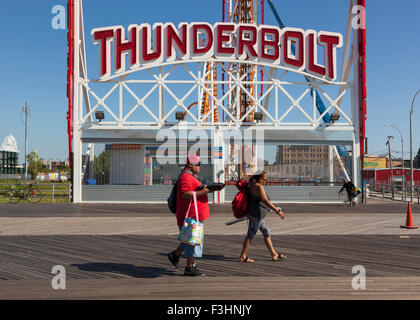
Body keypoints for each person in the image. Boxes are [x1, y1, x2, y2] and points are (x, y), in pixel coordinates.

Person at [168, 155, 215, 276]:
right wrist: (205, 191)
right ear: (190, 165)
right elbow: (185, 194)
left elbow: (192, 190)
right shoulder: (186, 176)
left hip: (194, 214)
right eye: (198, 164)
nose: (200, 166)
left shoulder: (189, 176)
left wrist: (204, 188)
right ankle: (190, 267)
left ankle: (175, 255)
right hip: (191, 215)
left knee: (189, 238)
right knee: (193, 241)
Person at [239, 171, 286, 263]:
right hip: (256, 215)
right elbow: (266, 201)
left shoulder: (251, 184)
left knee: (266, 232)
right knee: (250, 235)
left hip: (258, 215)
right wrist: (278, 211)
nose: (266, 180)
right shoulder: (258, 187)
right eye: (264, 178)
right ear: (260, 178)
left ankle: (274, 254)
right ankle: (243, 256)